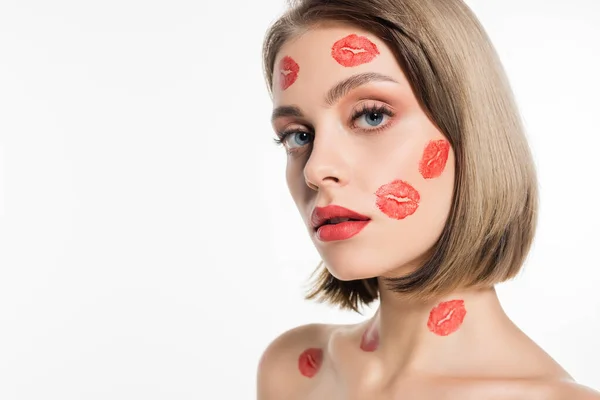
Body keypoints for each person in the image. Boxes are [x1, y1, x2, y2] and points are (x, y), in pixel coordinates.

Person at [256, 0, 600, 398]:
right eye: (298, 135)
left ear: (470, 132)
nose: (316, 169)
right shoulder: (296, 370)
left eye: (371, 115)